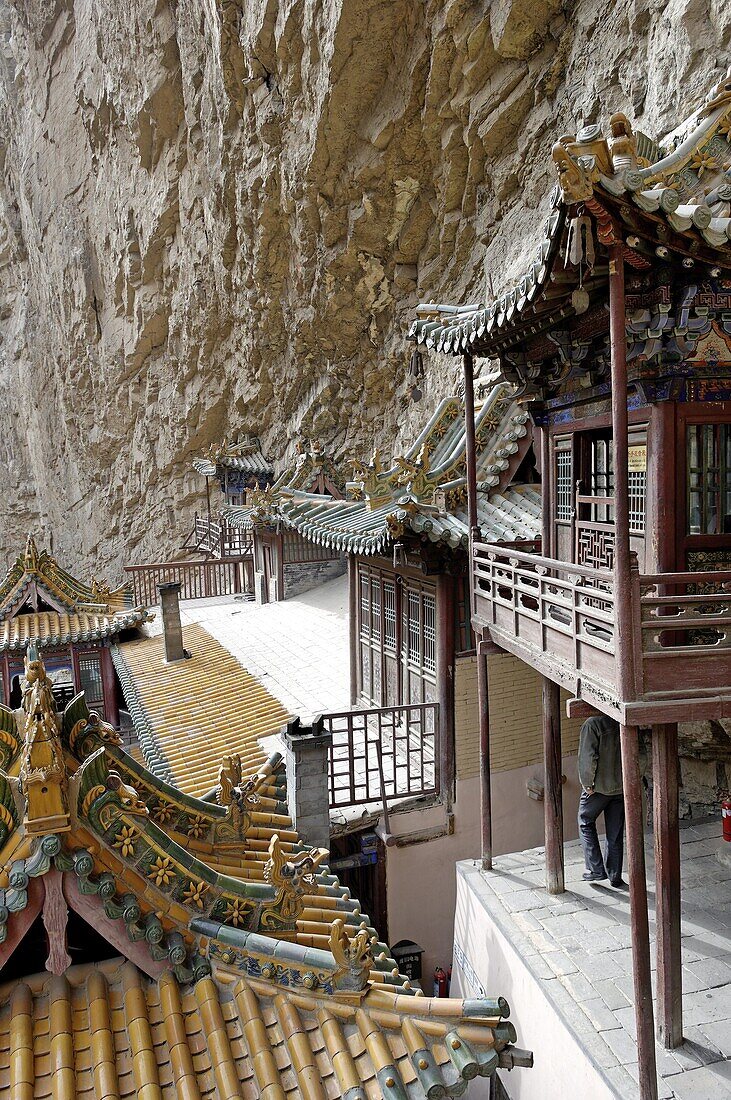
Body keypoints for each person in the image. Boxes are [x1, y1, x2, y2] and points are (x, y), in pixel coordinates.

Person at [577, 713, 626, 886]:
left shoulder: (592, 724)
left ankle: (596, 869)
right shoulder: (620, 720)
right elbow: (640, 753)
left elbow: (587, 758)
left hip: (598, 788)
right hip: (621, 786)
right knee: (615, 832)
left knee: (585, 820)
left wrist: (587, 783)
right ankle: (615, 876)